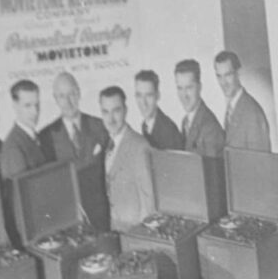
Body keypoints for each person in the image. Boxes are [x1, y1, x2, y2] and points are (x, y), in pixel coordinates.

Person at [40, 70, 111, 231]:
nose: (68, 101)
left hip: (100, 216)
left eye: (72, 94)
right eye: (62, 96)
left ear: (79, 93)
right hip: (68, 219)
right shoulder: (46, 137)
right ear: (55, 99)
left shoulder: (99, 126)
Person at [101, 82, 154, 230]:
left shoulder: (140, 146)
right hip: (116, 227)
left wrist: (142, 236)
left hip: (135, 232)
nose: (110, 119)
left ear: (125, 110)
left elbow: (149, 202)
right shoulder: (107, 144)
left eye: (116, 111)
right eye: (105, 112)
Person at [214, 50, 271, 152]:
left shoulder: (252, 113)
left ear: (238, 73)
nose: (223, 83)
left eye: (228, 75)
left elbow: (261, 164)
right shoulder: (231, 108)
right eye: (219, 76)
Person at [174, 60, 224, 159]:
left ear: (199, 87)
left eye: (189, 88)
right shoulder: (185, 121)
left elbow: (214, 172)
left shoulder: (210, 128)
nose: (184, 96)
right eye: (180, 88)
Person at [134, 69, 183, 151]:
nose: (143, 102)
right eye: (139, 95)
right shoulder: (146, 125)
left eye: (148, 95)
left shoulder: (168, 131)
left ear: (158, 96)